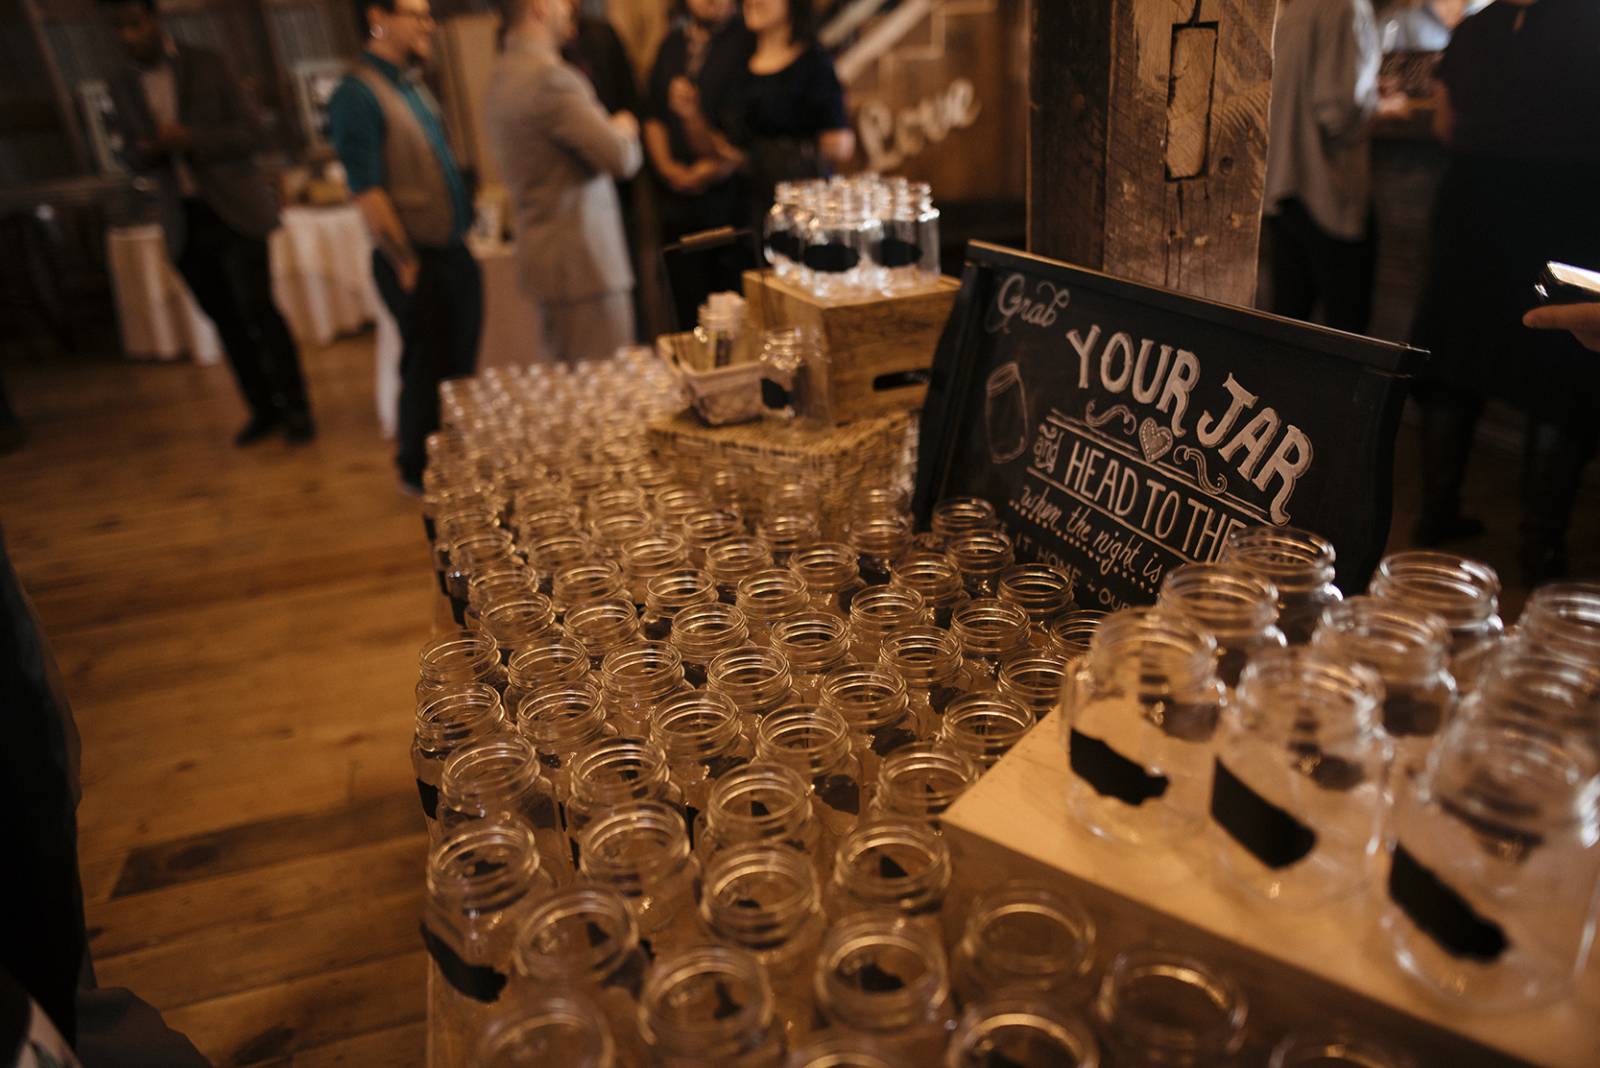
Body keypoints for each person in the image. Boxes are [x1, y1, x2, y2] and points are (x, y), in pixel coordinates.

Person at [1409, 0, 1600, 581]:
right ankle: (1541, 550)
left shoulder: (1474, 28)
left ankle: (1435, 513)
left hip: (1471, 209)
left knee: (1454, 360)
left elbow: (1444, 126)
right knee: (1560, 371)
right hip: (1565, 211)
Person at [101, 0, 314, 447]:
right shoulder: (120, 84)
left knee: (258, 309)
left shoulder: (208, 64)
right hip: (183, 218)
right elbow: (126, 154)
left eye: (135, 24)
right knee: (225, 319)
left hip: (234, 210)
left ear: (154, 20)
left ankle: (297, 408)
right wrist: (147, 150)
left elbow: (254, 133)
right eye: (119, 27)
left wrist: (191, 139)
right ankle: (263, 408)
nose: (128, 35)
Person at [328, 0, 481, 494]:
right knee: (426, 372)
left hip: (451, 250)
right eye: (415, 14)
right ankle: (419, 472)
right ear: (378, 17)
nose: (427, 24)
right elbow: (367, 190)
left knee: (455, 370)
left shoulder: (410, 83)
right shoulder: (356, 93)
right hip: (419, 258)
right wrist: (406, 262)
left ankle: (451, 463)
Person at [484, 0, 642, 366]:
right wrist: (624, 126)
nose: (570, 7)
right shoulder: (550, 79)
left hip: (548, 261)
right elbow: (620, 158)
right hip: (582, 267)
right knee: (606, 385)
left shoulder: (502, 74)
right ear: (539, 8)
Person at [677, 0, 854, 231]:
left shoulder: (814, 63)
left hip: (799, 214)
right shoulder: (737, 65)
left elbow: (840, 146)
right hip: (745, 213)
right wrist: (691, 116)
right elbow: (722, 150)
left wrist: (773, 153)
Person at [1261, 0, 1382, 335]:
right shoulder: (1347, 7)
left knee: (1288, 322)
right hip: (1326, 189)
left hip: (1284, 183)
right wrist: (1380, 106)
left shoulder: (1296, 8)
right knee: (1346, 329)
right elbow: (1338, 112)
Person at [645, 0, 746, 328]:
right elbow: (652, 113)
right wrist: (668, 168)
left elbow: (743, 141)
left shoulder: (746, 40)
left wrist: (708, 170)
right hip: (677, 205)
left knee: (734, 313)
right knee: (686, 312)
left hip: (731, 205)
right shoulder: (672, 44)